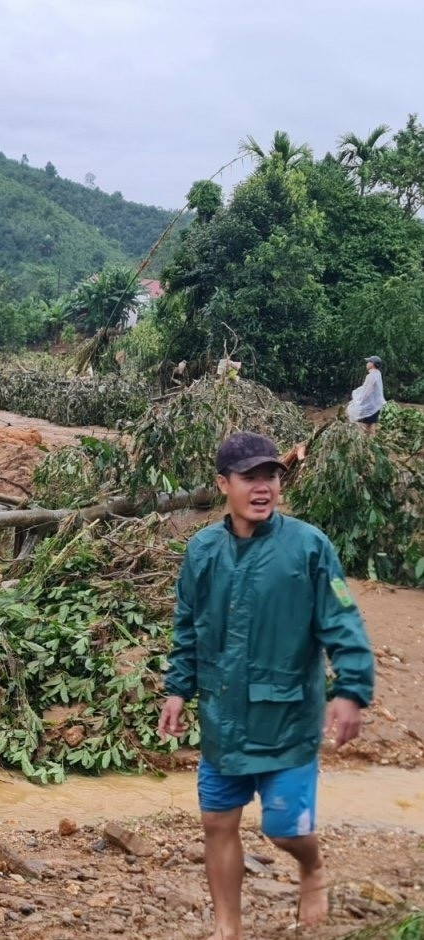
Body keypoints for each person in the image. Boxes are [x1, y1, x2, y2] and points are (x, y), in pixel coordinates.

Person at [158, 431, 374, 939]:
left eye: (270, 476)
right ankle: (227, 928)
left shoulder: (308, 546)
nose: (262, 487)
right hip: (222, 717)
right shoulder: (203, 550)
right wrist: (176, 689)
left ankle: (312, 868)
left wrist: (351, 690)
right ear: (223, 484)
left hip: (288, 717)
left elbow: (342, 623)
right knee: (217, 824)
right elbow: (186, 627)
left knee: (283, 828)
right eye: (249, 477)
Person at [353, 356, 385, 434]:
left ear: (372, 364)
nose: (367, 364)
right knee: (371, 424)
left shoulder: (371, 376)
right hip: (375, 406)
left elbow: (367, 391)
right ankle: (371, 443)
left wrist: (360, 402)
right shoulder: (378, 374)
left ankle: (361, 443)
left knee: (361, 425)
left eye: (368, 362)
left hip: (369, 406)